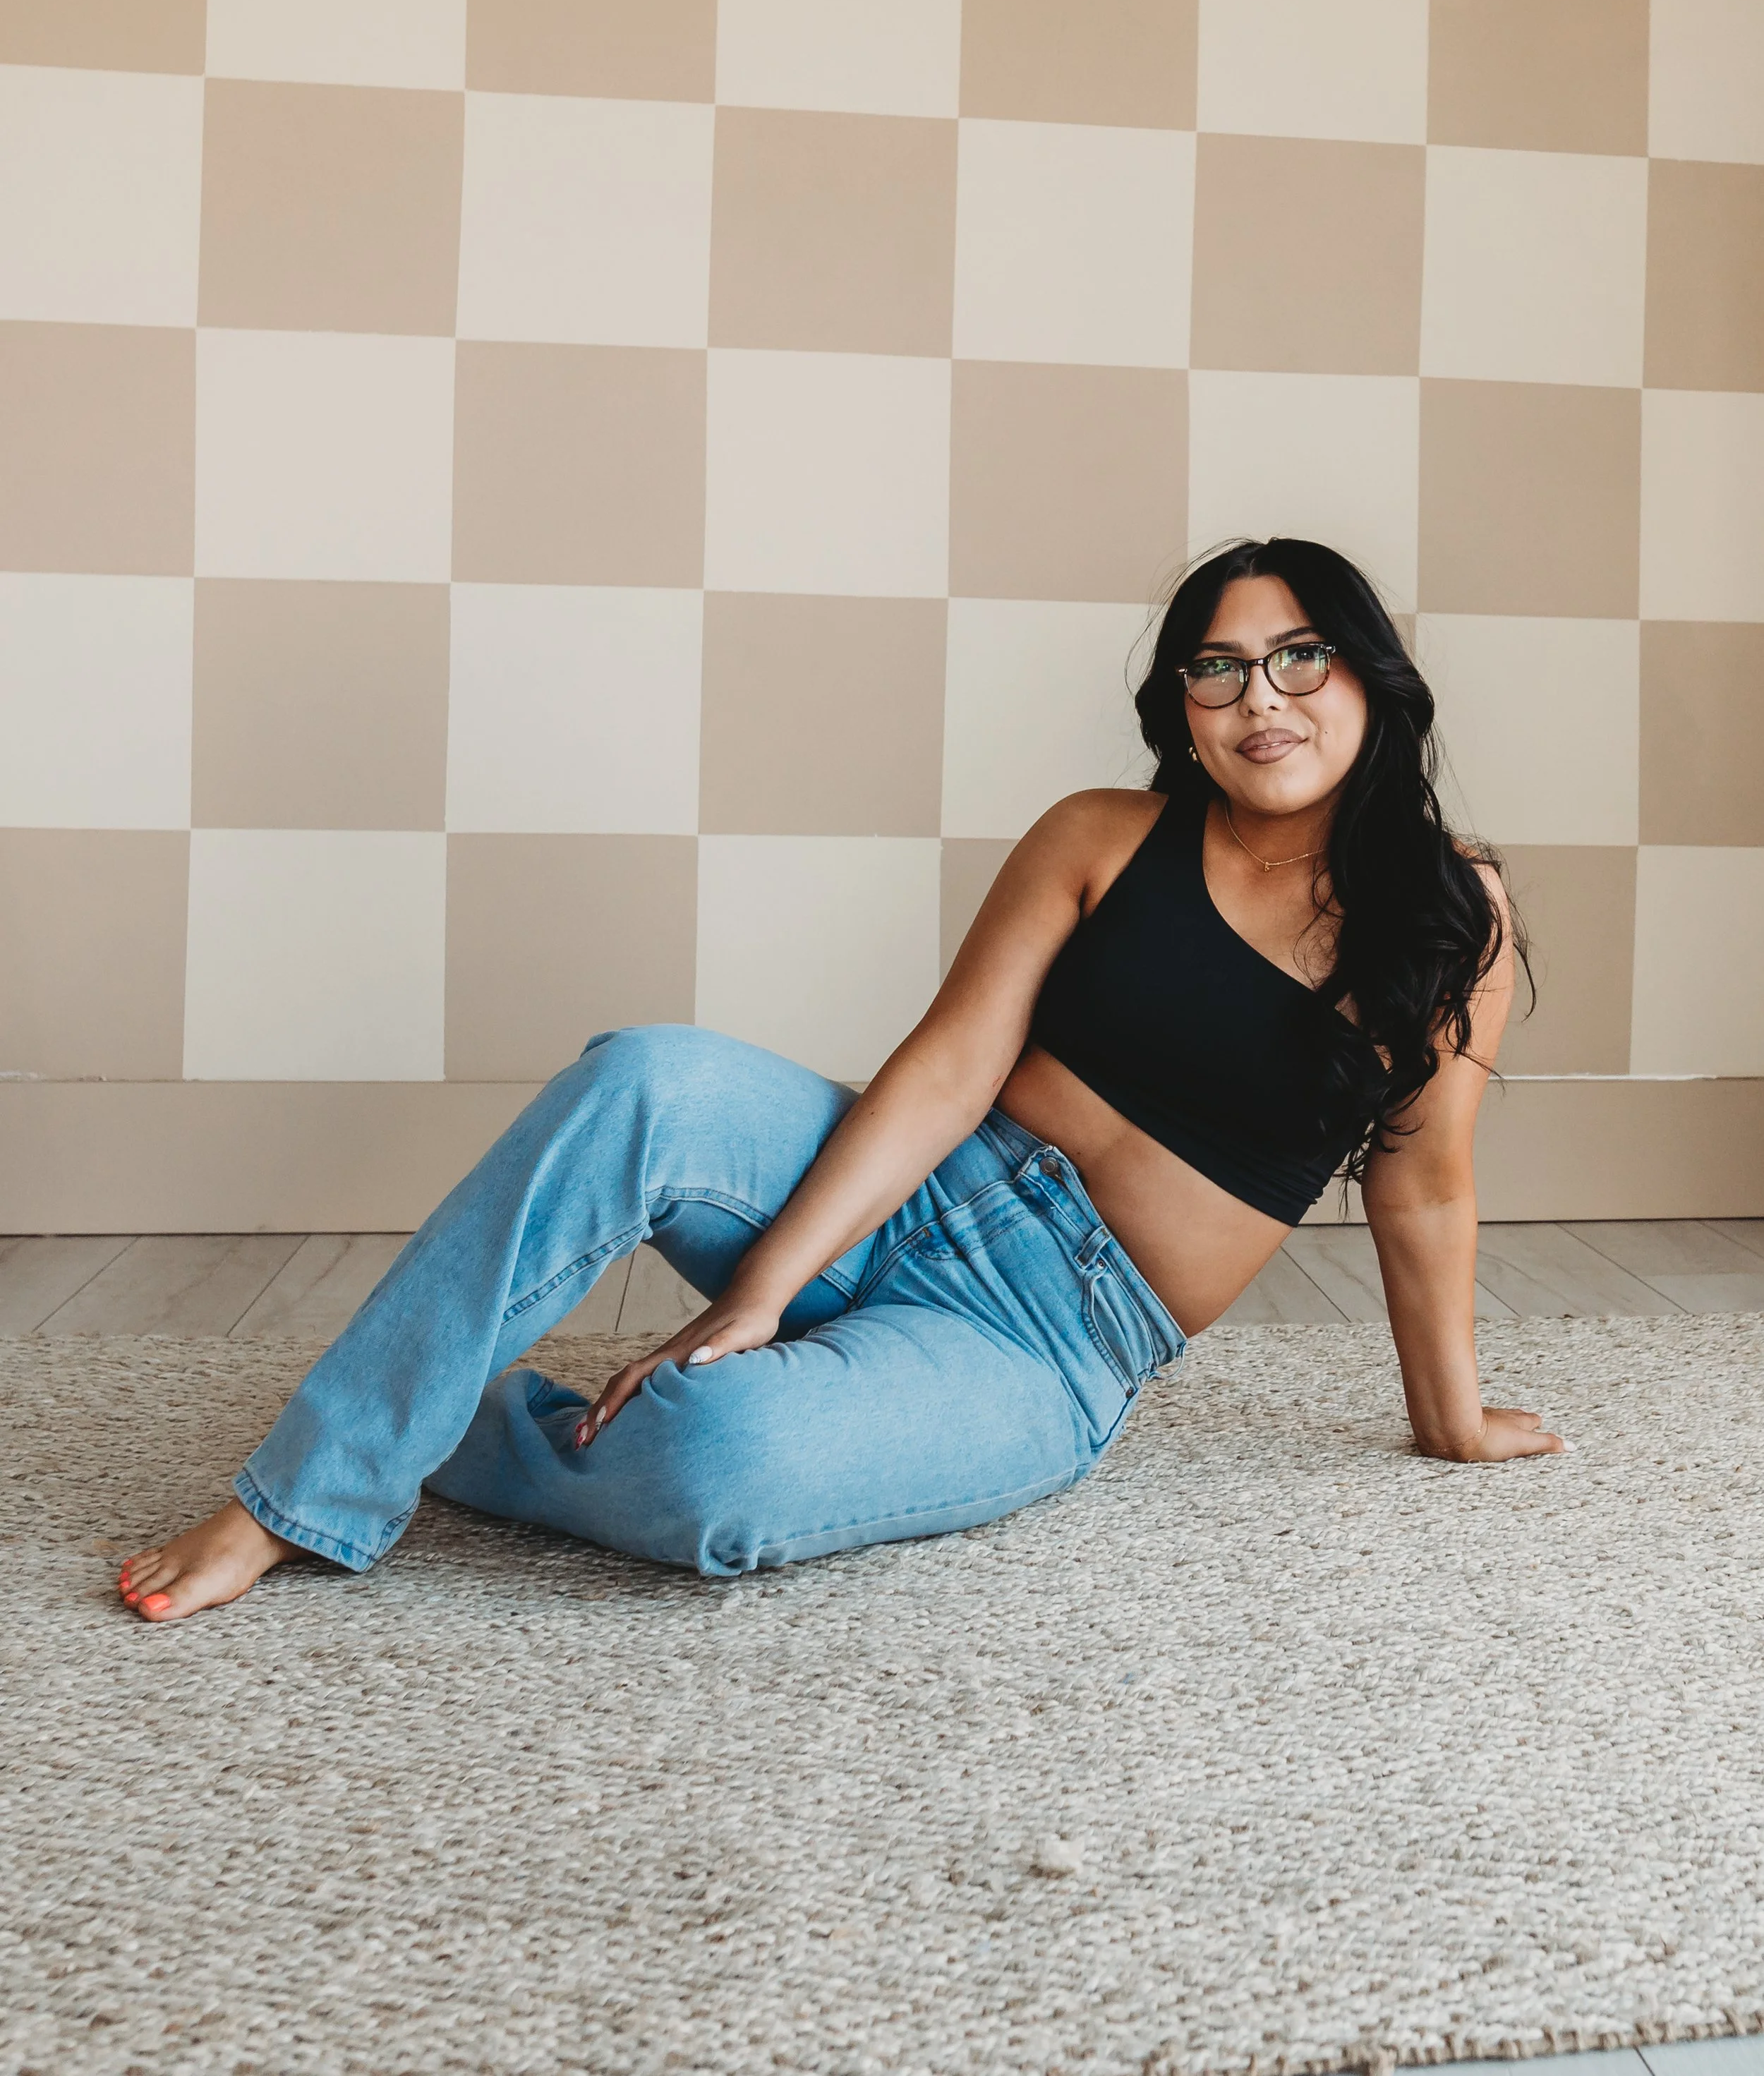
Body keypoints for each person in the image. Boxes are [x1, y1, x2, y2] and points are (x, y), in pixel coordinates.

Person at [119, 536, 1564, 1622]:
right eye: (1218, 667)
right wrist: (760, 1289)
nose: (1262, 697)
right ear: (1179, 706)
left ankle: (455, 1401)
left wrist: (1447, 1418)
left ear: (1369, 676)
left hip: (1043, 1347)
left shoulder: (1449, 917)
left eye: (1299, 657)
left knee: (714, 1477)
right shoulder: (1100, 836)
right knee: (647, 1078)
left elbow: (1423, 1189)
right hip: (905, 1192)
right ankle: (309, 1492)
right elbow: (943, 1070)